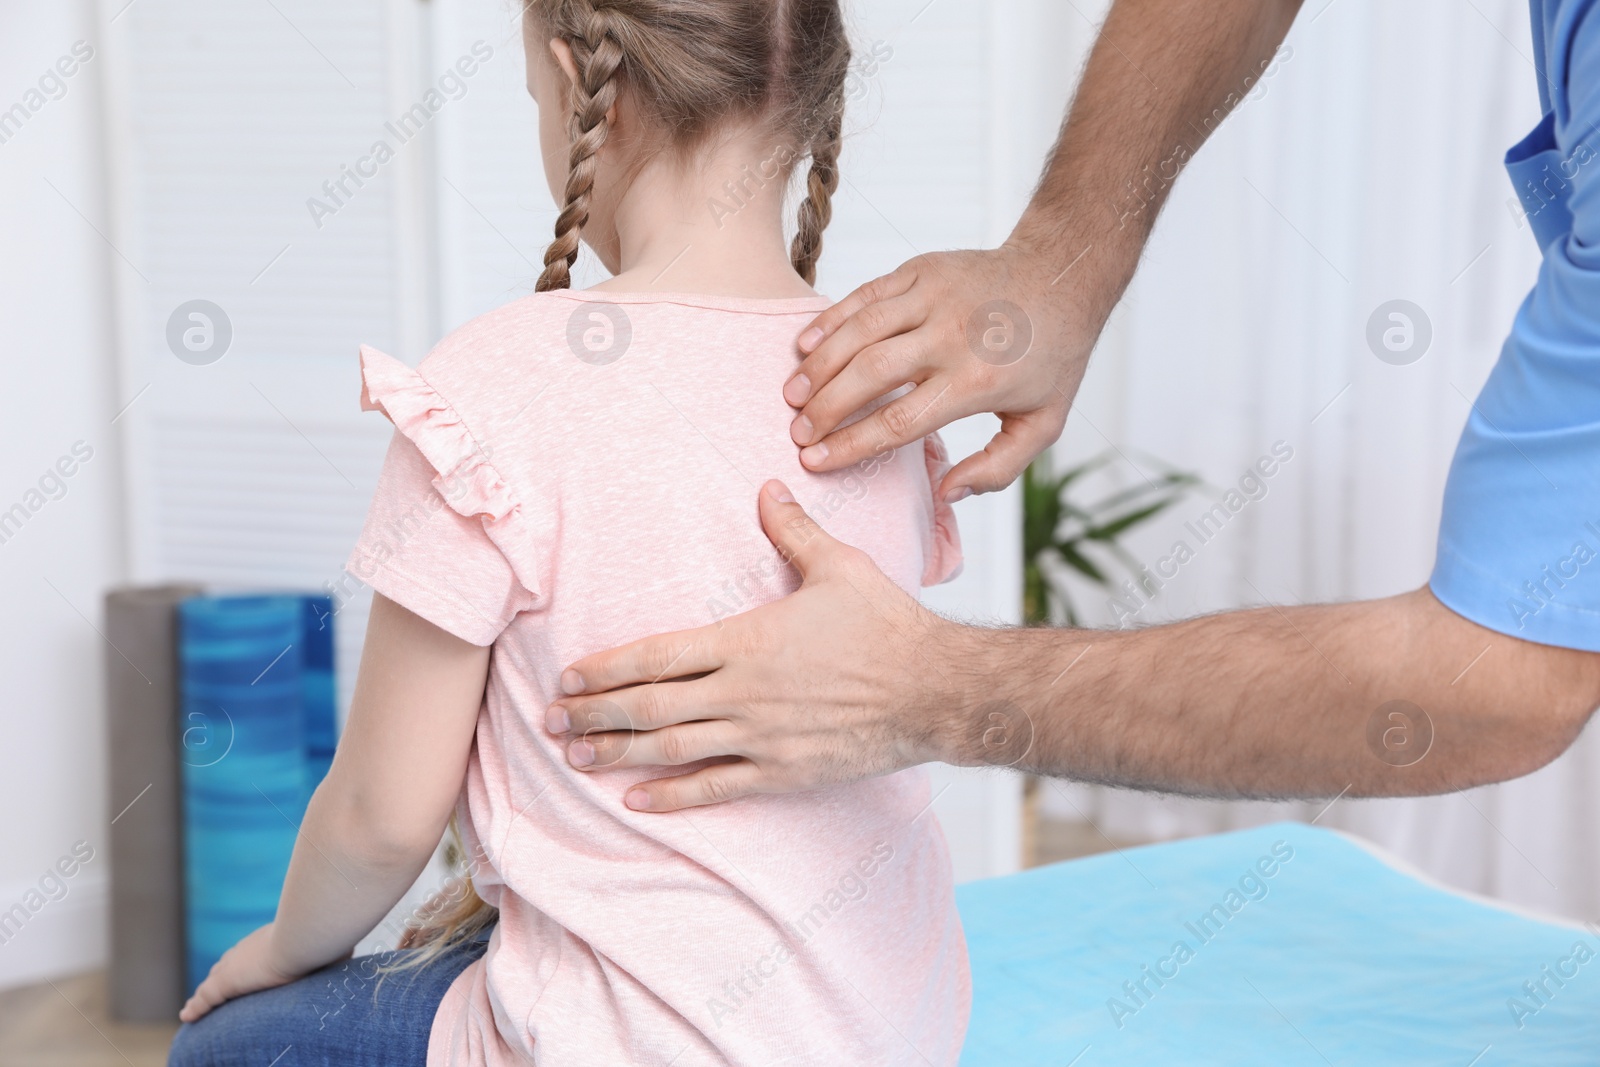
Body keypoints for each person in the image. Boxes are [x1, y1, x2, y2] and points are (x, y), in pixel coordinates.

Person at [546, 0, 1600, 813]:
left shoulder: (484, 394)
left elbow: (1498, 678)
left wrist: (922, 685)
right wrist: (1067, 248)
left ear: (580, 87)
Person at [168, 1, 971, 1064]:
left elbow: (380, 817)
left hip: (645, 1040)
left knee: (224, 1048)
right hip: (894, 1019)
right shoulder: (879, 386)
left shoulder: (494, 385)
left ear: (583, 84)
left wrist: (275, 949)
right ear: (815, 101)